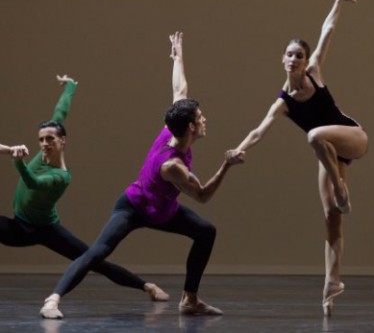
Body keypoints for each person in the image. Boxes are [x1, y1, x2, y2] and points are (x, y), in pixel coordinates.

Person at [40, 32, 245, 319]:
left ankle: (190, 299)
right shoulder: (173, 166)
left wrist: (178, 55)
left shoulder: (171, 129)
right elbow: (202, 195)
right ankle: (53, 299)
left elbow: (179, 89)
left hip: (163, 209)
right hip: (135, 207)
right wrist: (227, 165)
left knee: (205, 232)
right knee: (98, 252)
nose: (204, 120)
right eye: (200, 118)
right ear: (189, 127)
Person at [229, 0, 368, 315]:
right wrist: (239, 149)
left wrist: (337, 1)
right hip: (329, 155)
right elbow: (258, 130)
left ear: (306, 62)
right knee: (331, 218)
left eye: (299, 56)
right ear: (283, 59)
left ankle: (342, 190)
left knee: (315, 135)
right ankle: (331, 285)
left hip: (353, 137)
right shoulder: (283, 103)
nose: (294, 60)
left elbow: (327, 30)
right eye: (289, 55)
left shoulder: (315, 72)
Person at [0, 76, 169, 311]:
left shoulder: (61, 176)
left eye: (50, 139)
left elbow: (33, 183)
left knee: (94, 261)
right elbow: (59, 113)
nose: (44, 144)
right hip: (18, 226)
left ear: (62, 141)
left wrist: (17, 162)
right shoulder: (41, 154)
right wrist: (70, 87)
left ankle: (147, 286)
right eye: (41, 140)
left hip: (45, 229)